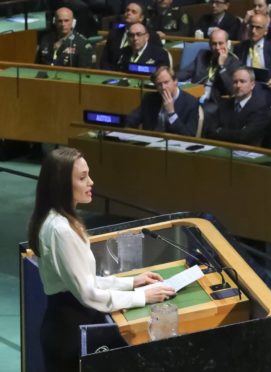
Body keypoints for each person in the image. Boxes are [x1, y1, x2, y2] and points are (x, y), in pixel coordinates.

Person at [28, 147, 175, 371]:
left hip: (71, 324)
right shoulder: (61, 230)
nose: (91, 182)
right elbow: (87, 293)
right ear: (62, 184)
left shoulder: (60, 221)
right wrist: (141, 296)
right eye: (82, 177)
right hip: (70, 334)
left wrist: (131, 282)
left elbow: (85, 279)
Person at [203, 66, 270, 145]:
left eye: (242, 81)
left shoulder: (260, 108)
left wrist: (220, 130)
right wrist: (237, 133)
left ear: (252, 85)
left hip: (246, 152)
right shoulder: (223, 103)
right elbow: (209, 131)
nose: (238, 85)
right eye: (235, 82)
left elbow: (245, 137)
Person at [126, 66, 198, 135]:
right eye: (159, 84)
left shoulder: (191, 102)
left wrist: (171, 113)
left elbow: (189, 134)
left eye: (166, 82)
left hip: (172, 145)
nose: (163, 87)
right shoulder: (149, 98)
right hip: (149, 142)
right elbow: (132, 120)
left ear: (175, 81)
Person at [234, 13, 271, 106]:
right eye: (251, 27)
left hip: (267, 91)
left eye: (258, 27)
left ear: (266, 31)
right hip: (244, 90)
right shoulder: (240, 47)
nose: (253, 31)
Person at [177, 29, 241, 106]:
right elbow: (186, 72)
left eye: (220, 43)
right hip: (195, 93)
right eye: (214, 44)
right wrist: (171, 78)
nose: (217, 47)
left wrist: (221, 66)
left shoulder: (234, 62)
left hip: (214, 101)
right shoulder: (202, 55)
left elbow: (230, 89)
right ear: (210, 45)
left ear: (227, 44)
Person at [100, 2, 161, 70]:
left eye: (133, 12)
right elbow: (105, 60)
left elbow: (157, 60)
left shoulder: (152, 36)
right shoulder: (114, 33)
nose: (128, 13)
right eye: (127, 10)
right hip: (115, 74)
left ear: (141, 18)